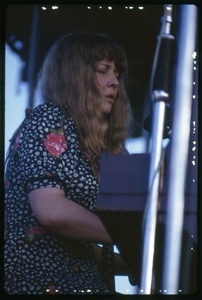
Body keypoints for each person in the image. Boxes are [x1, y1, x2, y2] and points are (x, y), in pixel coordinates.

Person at [4, 32, 133, 295]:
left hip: (74, 279)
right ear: (77, 77)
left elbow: (76, 251)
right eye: (103, 71)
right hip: (36, 280)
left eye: (117, 73)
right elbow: (51, 211)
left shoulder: (86, 142)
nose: (114, 82)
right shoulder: (49, 118)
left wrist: (138, 263)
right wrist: (133, 234)